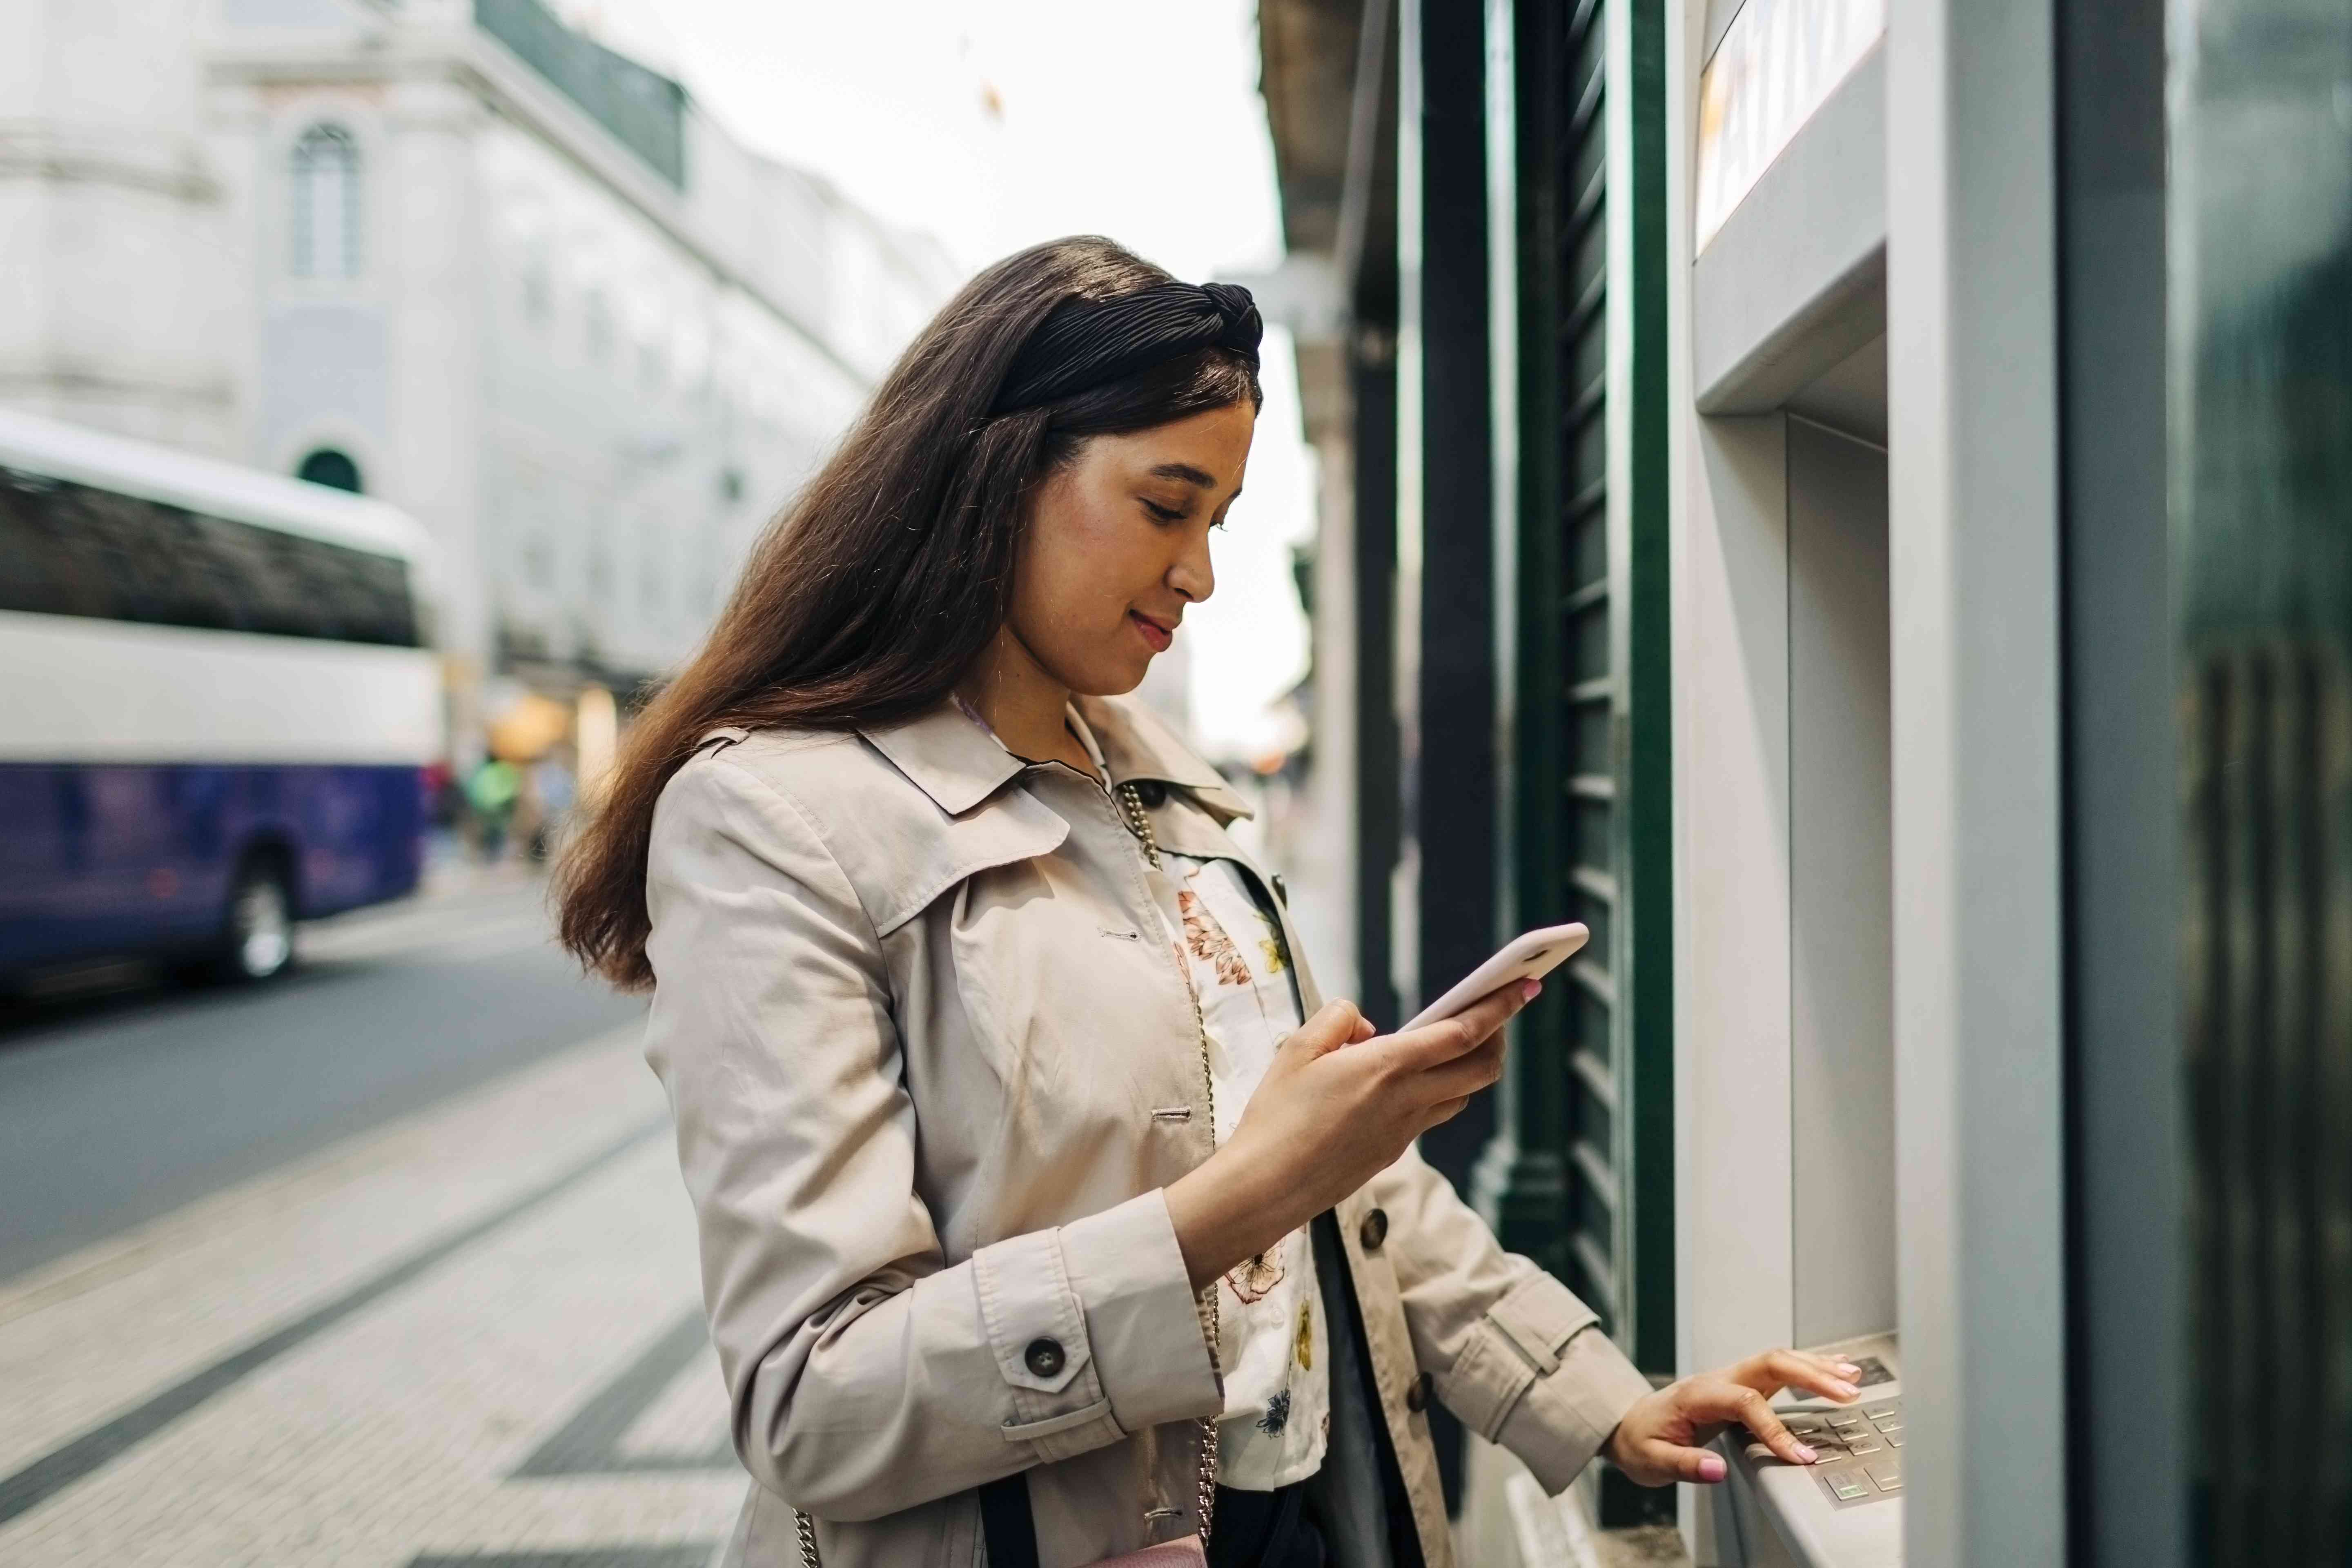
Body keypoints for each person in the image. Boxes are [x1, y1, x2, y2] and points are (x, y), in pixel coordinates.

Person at [555, 237, 1856, 1568]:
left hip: (1304, 1515)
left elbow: (1355, 1204)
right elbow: (813, 1398)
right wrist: (1241, 1197)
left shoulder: (1175, 789)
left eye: (1220, 520)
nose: (1200, 575)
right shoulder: (775, 817)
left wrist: (1611, 1404)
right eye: (1166, 505)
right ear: (996, 474)